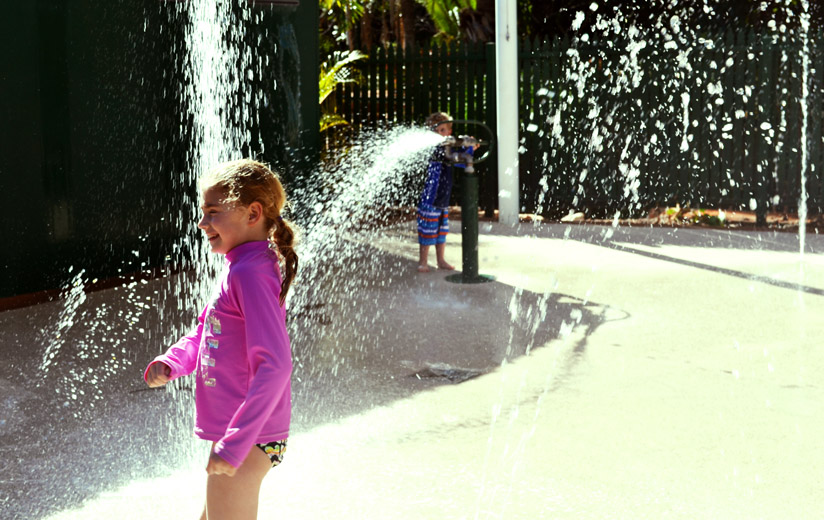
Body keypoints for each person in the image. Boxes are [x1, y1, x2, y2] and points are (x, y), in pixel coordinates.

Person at [144, 158, 298, 520]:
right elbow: (207, 330)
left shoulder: (250, 273)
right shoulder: (241, 266)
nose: (202, 222)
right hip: (243, 431)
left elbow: (276, 366)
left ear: (252, 213)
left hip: (249, 435)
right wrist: (174, 360)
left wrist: (235, 444)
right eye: (203, 211)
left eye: (213, 211)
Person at [416, 112, 475, 273]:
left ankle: (441, 260)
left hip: (443, 198)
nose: (441, 134)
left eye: (444, 130)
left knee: (441, 231)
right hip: (431, 199)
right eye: (438, 131)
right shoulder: (434, 148)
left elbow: (461, 163)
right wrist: (466, 149)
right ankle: (423, 261)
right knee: (427, 230)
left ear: (449, 131)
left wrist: (469, 148)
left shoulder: (447, 147)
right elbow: (453, 158)